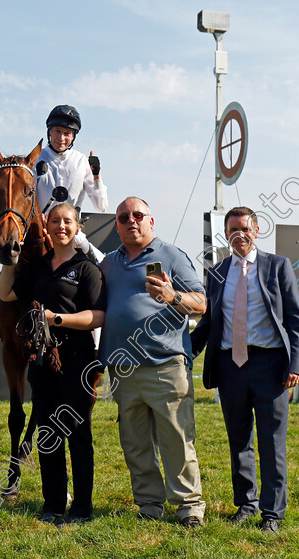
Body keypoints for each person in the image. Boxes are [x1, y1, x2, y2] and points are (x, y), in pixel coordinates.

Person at [190, 206, 299, 534]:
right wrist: (184, 351)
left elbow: (296, 321)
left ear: (256, 231)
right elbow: (209, 322)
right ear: (225, 236)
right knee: (238, 439)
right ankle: (246, 504)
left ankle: (272, 513)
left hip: (271, 367)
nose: (238, 235)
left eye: (244, 228)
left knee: (271, 441)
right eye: (232, 230)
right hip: (231, 367)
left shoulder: (277, 266)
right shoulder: (216, 273)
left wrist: (295, 364)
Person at [98, 196, 207, 527]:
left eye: (138, 215)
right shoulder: (107, 264)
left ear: (151, 221)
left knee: (176, 439)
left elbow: (201, 304)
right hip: (122, 369)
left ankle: (189, 508)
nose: (131, 220)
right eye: (123, 217)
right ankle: (149, 505)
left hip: (165, 366)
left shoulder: (171, 255)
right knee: (135, 444)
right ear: (116, 225)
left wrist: (172, 296)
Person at [0, 202, 106, 524]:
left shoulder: (87, 268)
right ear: (46, 227)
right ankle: (54, 504)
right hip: (44, 359)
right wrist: (8, 262)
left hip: (78, 359)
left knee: (78, 432)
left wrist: (57, 319)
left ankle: (82, 507)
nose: (61, 226)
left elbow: (98, 316)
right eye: (55, 221)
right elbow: (6, 295)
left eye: (67, 222)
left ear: (78, 228)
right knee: (47, 432)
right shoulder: (39, 266)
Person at [34, 105, 108, 261]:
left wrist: (96, 176)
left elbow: (101, 206)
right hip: (40, 233)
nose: (61, 138)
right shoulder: (35, 159)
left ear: (73, 136)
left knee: (103, 267)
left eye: (67, 133)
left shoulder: (81, 161)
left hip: (73, 236)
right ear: (49, 132)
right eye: (57, 132)